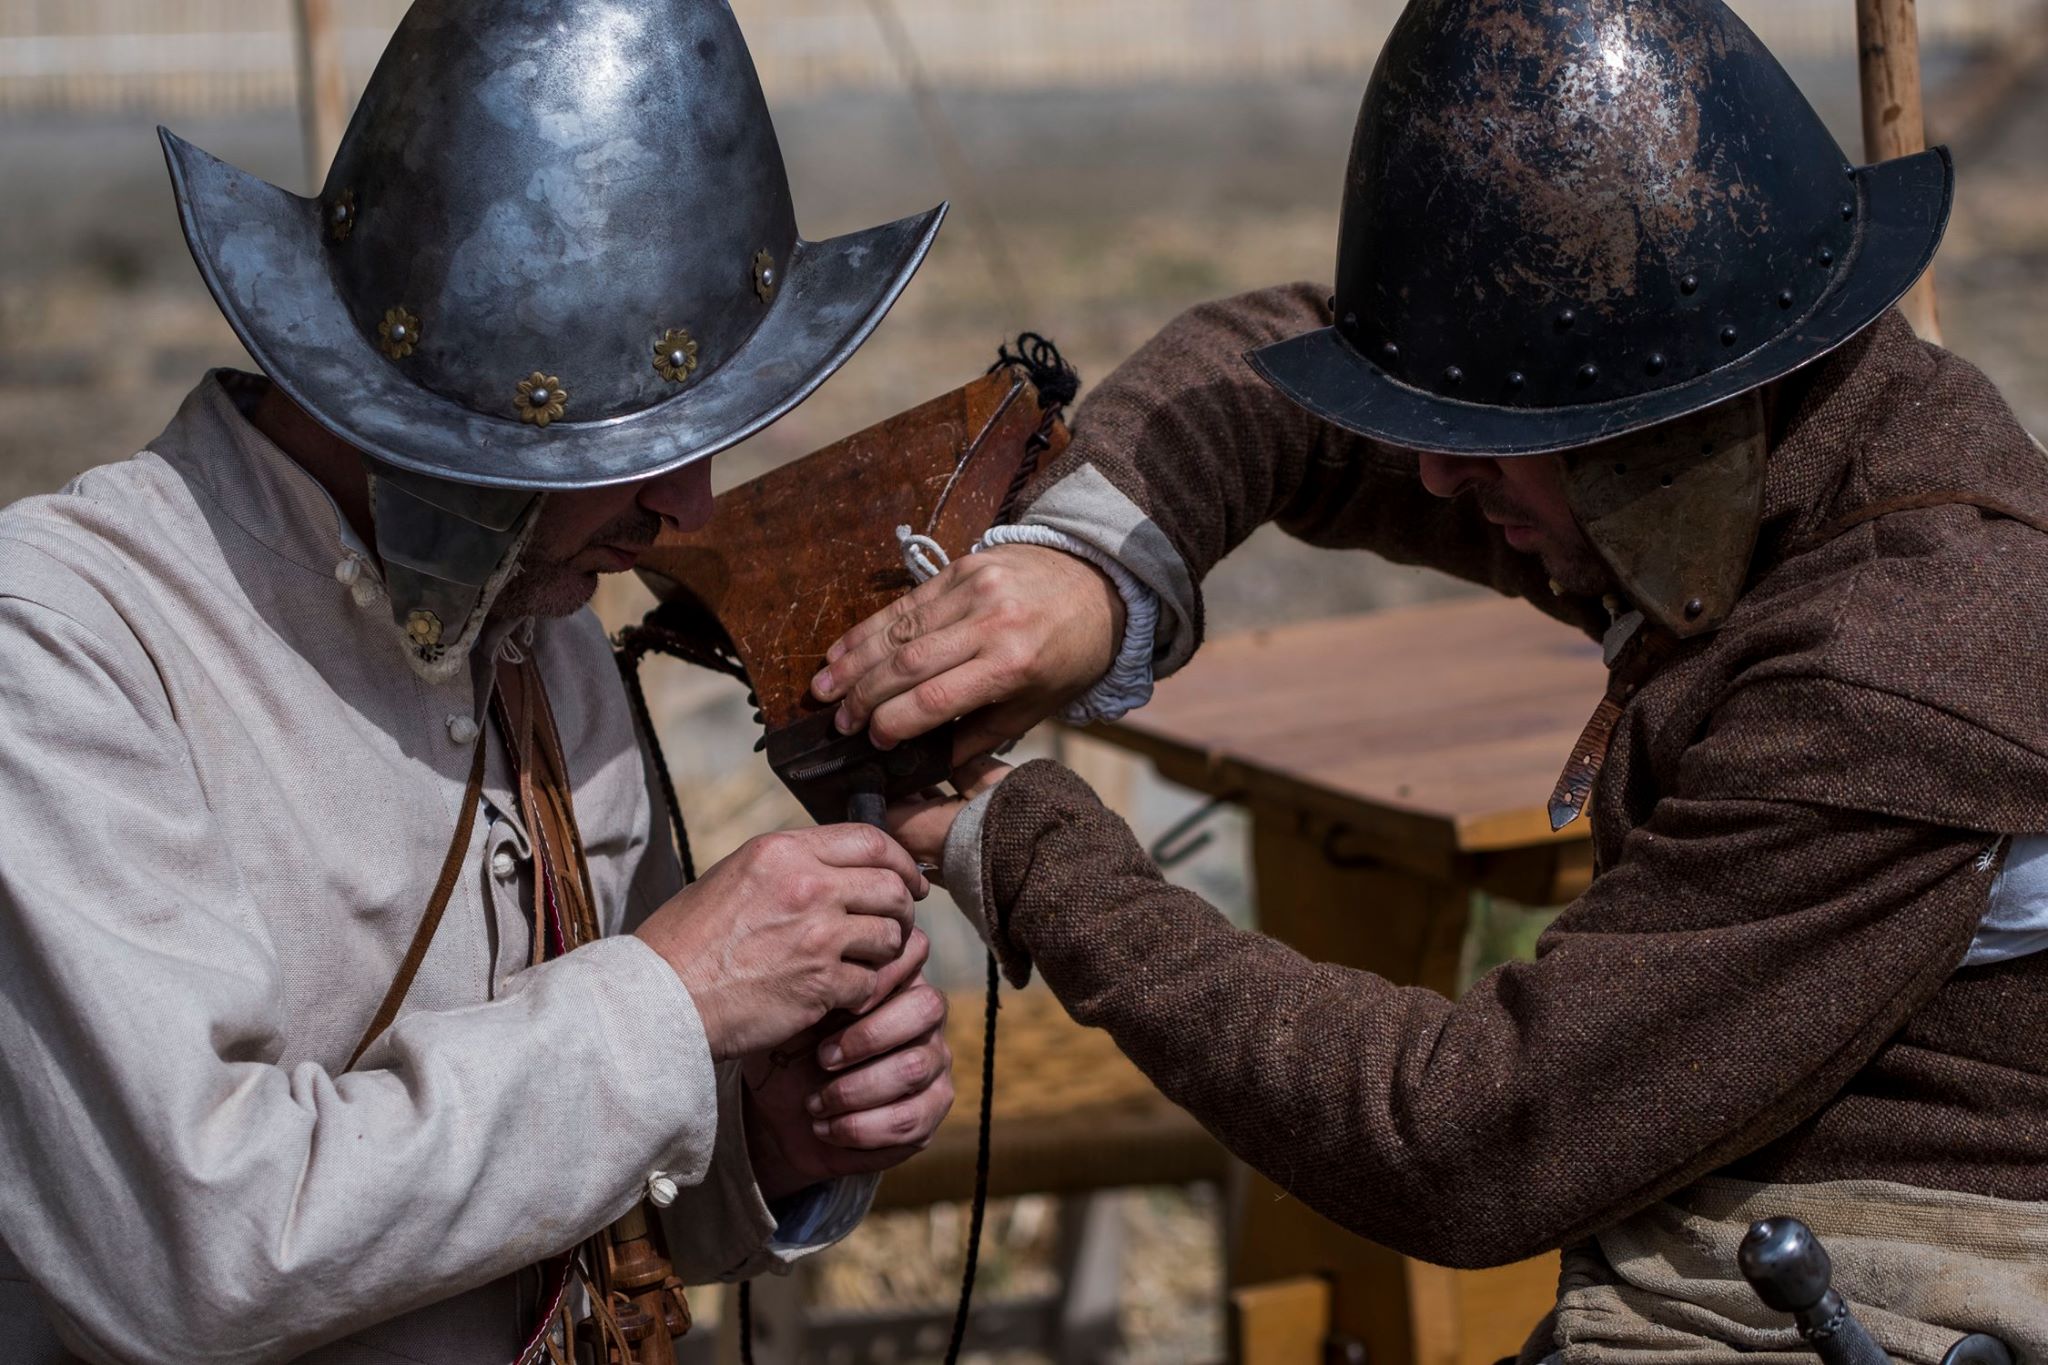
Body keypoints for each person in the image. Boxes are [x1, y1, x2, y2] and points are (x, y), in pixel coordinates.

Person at [819, 0, 2048, 1353]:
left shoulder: (1884, 673)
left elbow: (1466, 1137)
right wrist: (1089, 562)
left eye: (1494, 440)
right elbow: (1286, 381)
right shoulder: (1791, 445)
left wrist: (1033, 849)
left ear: (1651, 438)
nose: (1440, 479)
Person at [0, 2, 956, 1360]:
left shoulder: (538, 618)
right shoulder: (66, 640)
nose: (689, 505)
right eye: (629, 442)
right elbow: (194, 1252)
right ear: (451, 412)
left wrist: (768, 1129)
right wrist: (670, 1005)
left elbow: (559, 1195)